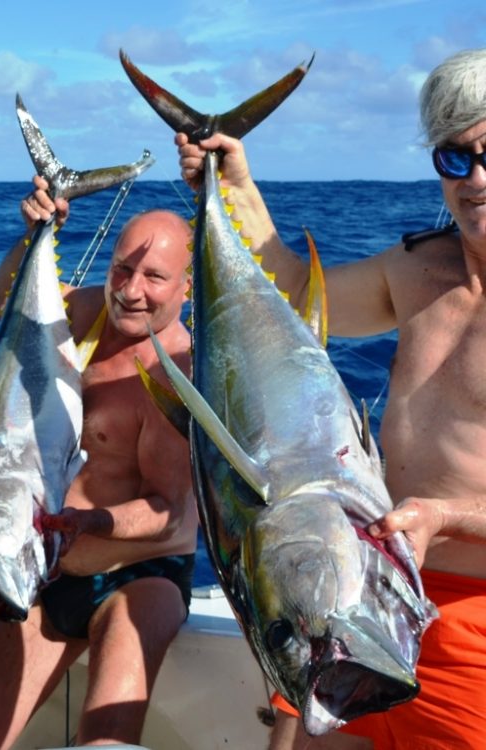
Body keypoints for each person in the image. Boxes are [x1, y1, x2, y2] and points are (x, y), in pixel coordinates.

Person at [176, 48, 486, 750]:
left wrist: (443, 516)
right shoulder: (416, 271)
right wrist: (234, 187)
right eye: (454, 159)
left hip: (474, 625)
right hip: (354, 590)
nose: (476, 179)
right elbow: (288, 290)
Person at [0, 176, 199, 748]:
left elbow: (166, 510)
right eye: (121, 270)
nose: (131, 291)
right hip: (49, 570)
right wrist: (37, 232)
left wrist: (93, 523)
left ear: (186, 286)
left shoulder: (175, 379)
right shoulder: (86, 310)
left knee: (106, 739)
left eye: (155, 277)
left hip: (142, 575)